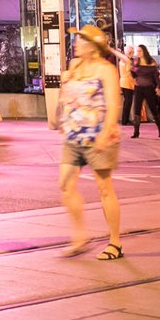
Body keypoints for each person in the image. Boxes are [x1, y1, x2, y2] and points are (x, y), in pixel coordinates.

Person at [53, 25, 123, 259]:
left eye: (81, 41)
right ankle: (80, 236)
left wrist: (106, 132)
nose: (76, 44)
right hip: (73, 136)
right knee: (65, 184)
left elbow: (113, 104)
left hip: (98, 136)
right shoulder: (75, 66)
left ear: (93, 47)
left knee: (104, 188)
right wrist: (58, 119)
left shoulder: (106, 70)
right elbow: (66, 97)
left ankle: (115, 243)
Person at [127, 45, 160, 138]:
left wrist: (158, 87)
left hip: (149, 88)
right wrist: (130, 70)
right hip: (138, 88)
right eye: (137, 51)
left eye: (140, 51)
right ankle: (136, 132)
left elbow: (155, 76)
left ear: (144, 51)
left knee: (153, 108)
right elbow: (134, 75)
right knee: (137, 109)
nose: (138, 53)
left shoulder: (151, 62)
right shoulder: (136, 61)